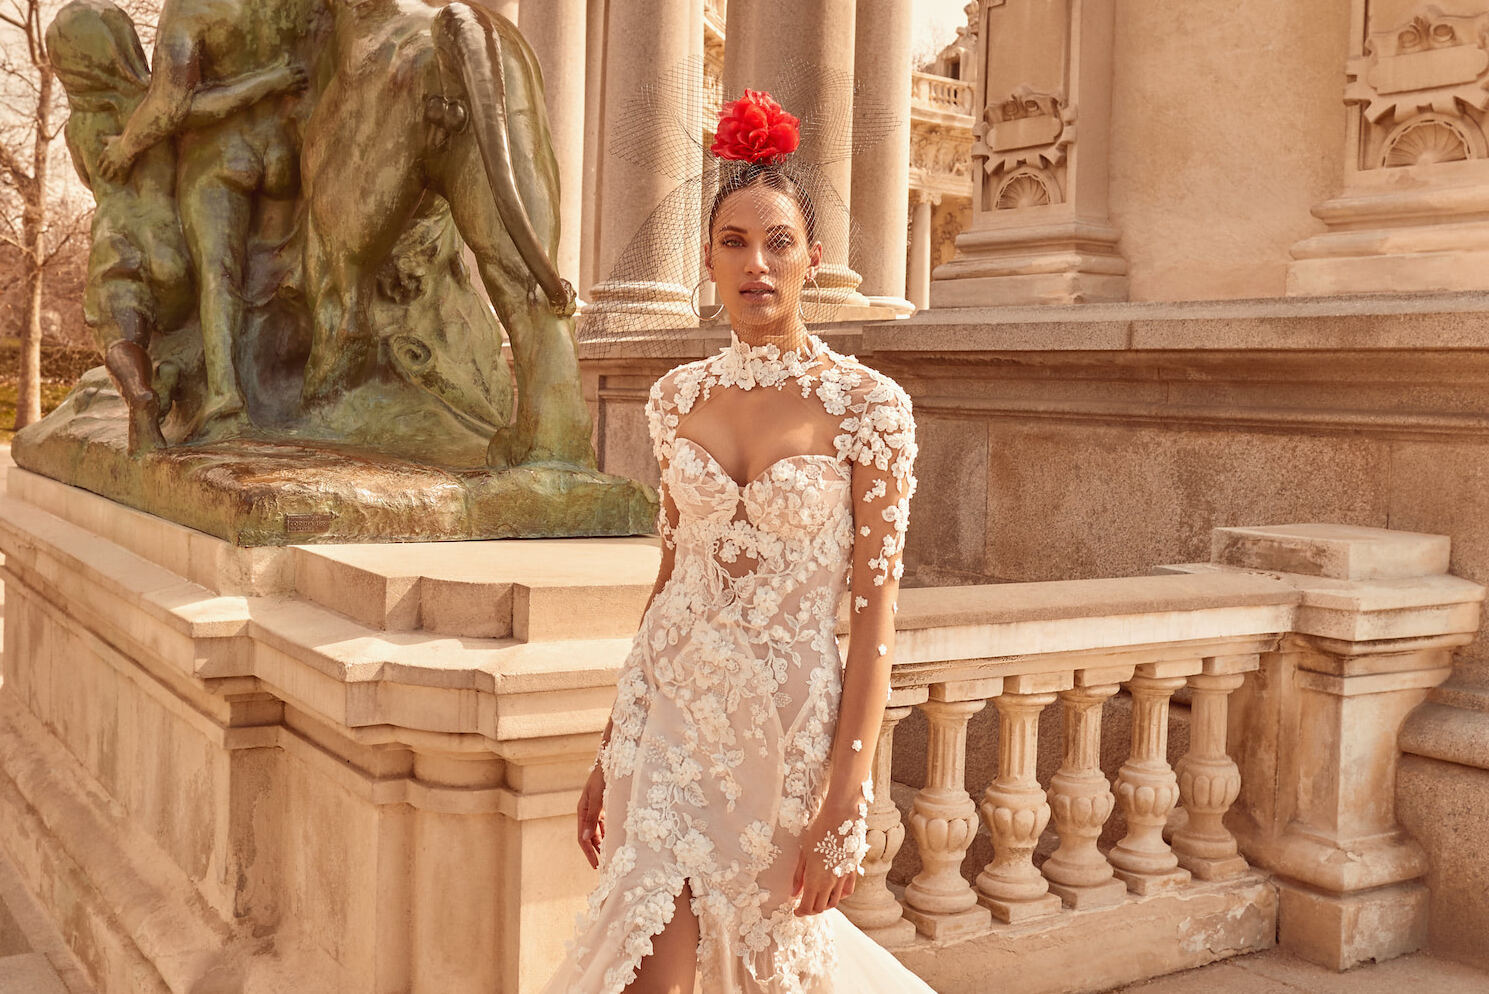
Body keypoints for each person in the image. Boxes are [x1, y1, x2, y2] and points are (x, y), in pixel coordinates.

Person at [541, 90, 937, 994]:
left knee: (762, 971)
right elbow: (670, 578)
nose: (756, 263)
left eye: (777, 242)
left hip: (787, 732)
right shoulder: (676, 397)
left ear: (811, 260)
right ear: (709, 263)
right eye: (733, 243)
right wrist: (612, 742)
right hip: (667, 712)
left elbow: (874, 619)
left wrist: (847, 796)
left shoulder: (870, 408)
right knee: (646, 968)